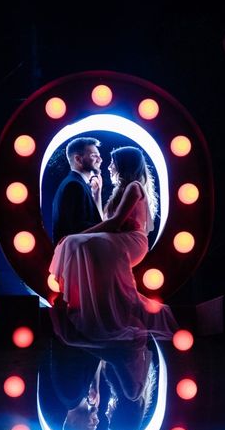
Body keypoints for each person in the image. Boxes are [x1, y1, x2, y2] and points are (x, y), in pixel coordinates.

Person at [49, 145, 177, 343]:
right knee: (77, 244)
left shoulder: (134, 187)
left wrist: (79, 234)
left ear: (123, 165)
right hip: (118, 238)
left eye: (113, 163)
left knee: (76, 242)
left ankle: (87, 306)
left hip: (132, 241)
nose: (109, 167)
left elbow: (115, 223)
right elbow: (105, 220)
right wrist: (97, 196)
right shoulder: (121, 190)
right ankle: (86, 305)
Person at [51, 137, 103, 244]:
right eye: (94, 155)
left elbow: (95, 221)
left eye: (99, 155)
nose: (100, 159)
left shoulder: (79, 184)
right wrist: (115, 226)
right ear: (78, 159)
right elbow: (77, 228)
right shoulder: (74, 185)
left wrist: (97, 194)